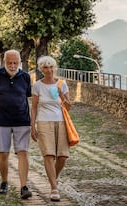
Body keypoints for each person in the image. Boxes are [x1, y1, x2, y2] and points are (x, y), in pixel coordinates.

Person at [0, 49, 33, 200]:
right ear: (4, 62)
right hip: (2, 120)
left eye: (15, 63)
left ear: (20, 62)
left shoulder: (25, 77)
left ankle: (24, 186)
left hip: (22, 120)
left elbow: (27, 97)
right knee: (3, 153)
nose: (12, 65)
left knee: (23, 152)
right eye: (9, 63)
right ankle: (4, 181)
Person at [31, 55, 71, 202]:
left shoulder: (62, 84)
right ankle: (54, 188)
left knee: (62, 156)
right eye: (45, 67)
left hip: (61, 121)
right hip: (43, 121)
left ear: (55, 68)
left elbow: (68, 107)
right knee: (49, 155)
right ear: (42, 69)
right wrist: (32, 126)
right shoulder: (37, 86)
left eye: (51, 67)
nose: (49, 70)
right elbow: (34, 107)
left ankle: (53, 177)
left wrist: (62, 96)